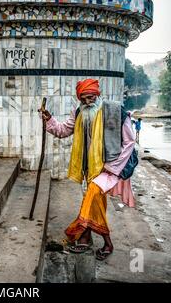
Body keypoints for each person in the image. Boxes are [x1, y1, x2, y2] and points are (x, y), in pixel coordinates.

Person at [40, 79, 136, 261]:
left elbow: (129, 142)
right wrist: (50, 119)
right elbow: (63, 130)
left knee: (93, 193)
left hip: (111, 167)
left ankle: (88, 236)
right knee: (94, 201)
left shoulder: (114, 110)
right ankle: (88, 238)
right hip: (89, 168)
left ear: (98, 95)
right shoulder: (79, 112)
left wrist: (113, 168)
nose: (87, 102)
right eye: (83, 99)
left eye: (91, 98)